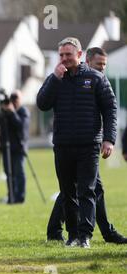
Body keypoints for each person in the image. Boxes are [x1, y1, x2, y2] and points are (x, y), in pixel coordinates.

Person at [37, 38, 117, 249]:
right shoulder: (55, 79)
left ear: (79, 55)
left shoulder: (96, 78)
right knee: (68, 193)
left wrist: (109, 139)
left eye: (68, 55)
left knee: (87, 192)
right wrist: (54, 78)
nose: (64, 59)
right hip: (62, 145)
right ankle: (72, 236)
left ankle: (85, 237)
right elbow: (42, 104)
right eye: (61, 55)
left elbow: (110, 109)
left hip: (88, 146)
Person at [0, 90, 30, 204]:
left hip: (19, 148)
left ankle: (20, 197)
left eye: (16, 99)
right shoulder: (7, 111)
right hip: (6, 148)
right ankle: (11, 197)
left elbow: (20, 126)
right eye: (12, 99)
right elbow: (0, 122)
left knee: (19, 173)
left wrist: (12, 112)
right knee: (9, 174)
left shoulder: (23, 111)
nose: (13, 102)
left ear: (20, 99)